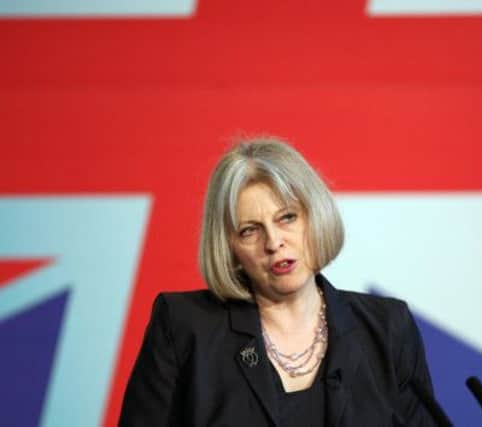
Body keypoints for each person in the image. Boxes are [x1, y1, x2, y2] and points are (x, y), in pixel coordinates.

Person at [119, 136, 438, 426]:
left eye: (287, 217)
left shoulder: (386, 328)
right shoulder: (185, 326)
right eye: (250, 230)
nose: (273, 242)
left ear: (315, 217)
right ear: (230, 248)